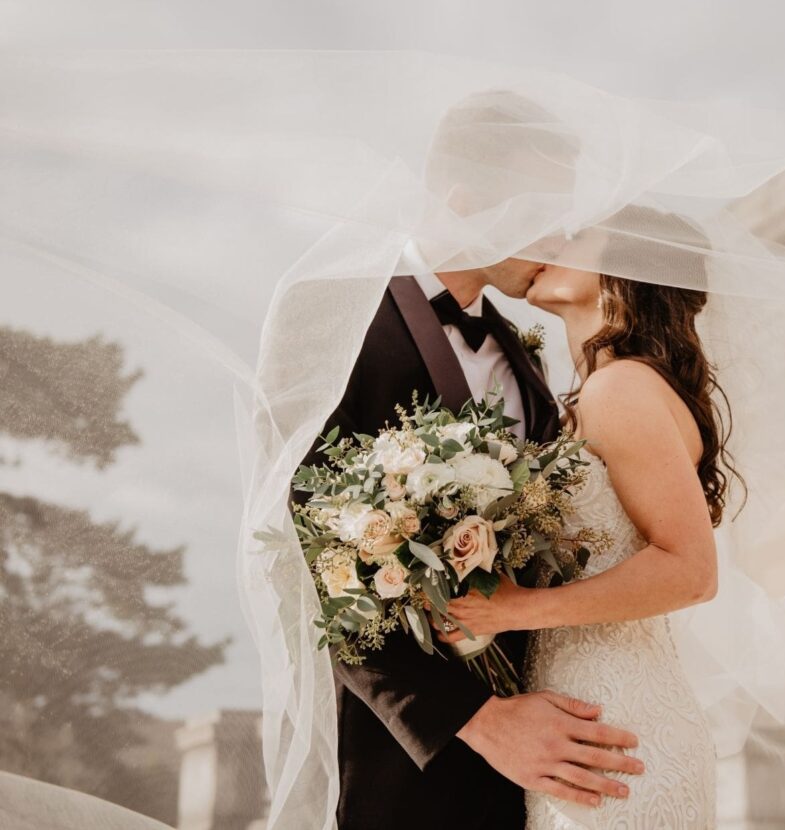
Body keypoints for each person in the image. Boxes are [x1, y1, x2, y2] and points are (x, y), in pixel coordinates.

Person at [301, 92, 644, 830]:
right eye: (542, 210)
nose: (559, 235)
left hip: (552, 755)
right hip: (408, 765)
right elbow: (307, 558)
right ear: (465, 200)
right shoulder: (328, 316)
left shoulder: (525, 361)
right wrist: (481, 721)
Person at [441, 218, 733, 827]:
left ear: (624, 268)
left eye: (574, 235)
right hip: (586, 718)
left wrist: (513, 610)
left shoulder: (621, 389)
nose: (546, 241)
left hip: (618, 725)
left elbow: (692, 570)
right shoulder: (598, 392)